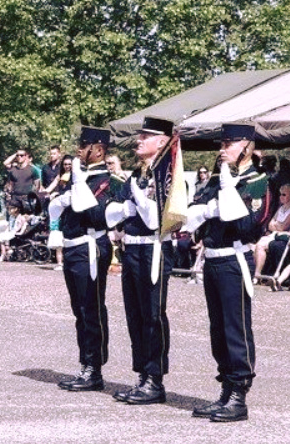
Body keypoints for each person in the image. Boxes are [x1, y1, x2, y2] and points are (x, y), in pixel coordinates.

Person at [184, 123, 270, 422]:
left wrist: (220, 202)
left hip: (235, 258)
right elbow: (193, 210)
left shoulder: (257, 181)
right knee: (217, 328)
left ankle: (239, 393)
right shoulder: (219, 177)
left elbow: (248, 224)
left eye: (228, 144)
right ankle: (225, 388)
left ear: (246, 145)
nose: (222, 150)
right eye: (221, 145)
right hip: (213, 258)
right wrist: (212, 207)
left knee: (236, 327)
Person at [105, 116, 176, 405]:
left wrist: (133, 201)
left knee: (152, 316)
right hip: (132, 249)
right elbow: (114, 212)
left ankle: (155, 379)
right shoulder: (137, 175)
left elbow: (154, 218)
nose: (139, 140)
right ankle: (142, 376)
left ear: (162, 141)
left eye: (146, 136)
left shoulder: (167, 175)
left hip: (154, 249)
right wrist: (129, 204)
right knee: (135, 315)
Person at [50, 127, 114, 393]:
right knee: (80, 310)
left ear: (98, 149)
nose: (78, 149)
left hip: (91, 246)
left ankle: (94, 368)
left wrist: (75, 187)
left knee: (92, 308)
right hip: (73, 246)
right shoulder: (77, 176)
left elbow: (97, 215)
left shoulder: (107, 180)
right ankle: (85, 363)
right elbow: (55, 208)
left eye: (84, 145)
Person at [253, 183, 290, 282]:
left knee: (260, 246)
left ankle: (257, 274)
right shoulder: (281, 208)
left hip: (283, 236)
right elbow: (270, 224)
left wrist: (277, 224)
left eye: (284, 195)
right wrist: (277, 225)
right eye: (280, 194)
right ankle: (258, 273)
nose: (281, 197)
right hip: (274, 234)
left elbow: (284, 226)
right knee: (255, 245)